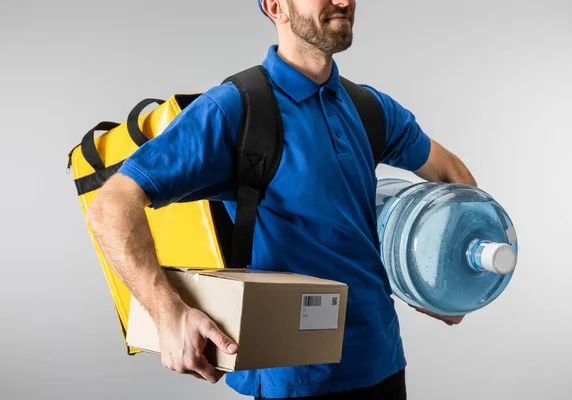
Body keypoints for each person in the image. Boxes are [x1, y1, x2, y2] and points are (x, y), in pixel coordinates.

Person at [86, 0, 477, 399]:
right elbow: (111, 205)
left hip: (383, 365)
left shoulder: (370, 108)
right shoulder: (235, 109)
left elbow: (452, 175)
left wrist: (450, 284)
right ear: (276, 6)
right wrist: (167, 311)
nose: (342, 0)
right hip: (291, 380)